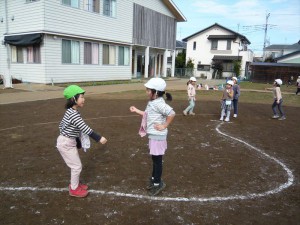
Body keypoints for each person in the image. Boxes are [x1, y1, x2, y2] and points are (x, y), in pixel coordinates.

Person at [56, 85, 107, 198]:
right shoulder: (73, 114)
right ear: (74, 99)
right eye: (81, 97)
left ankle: (75, 184)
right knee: (77, 166)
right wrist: (99, 138)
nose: (84, 99)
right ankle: (74, 189)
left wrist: (77, 141)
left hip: (68, 141)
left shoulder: (71, 111)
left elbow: (64, 127)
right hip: (65, 144)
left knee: (76, 165)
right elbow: (85, 128)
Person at [129, 78, 175, 196]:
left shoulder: (159, 103)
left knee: (157, 161)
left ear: (156, 92)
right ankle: (154, 179)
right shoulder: (152, 102)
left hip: (158, 136)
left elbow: (171, 113)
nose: (146, 92)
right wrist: (136, 110)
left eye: (148, 90)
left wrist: (164, 125)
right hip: (153, 136)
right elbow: (147, 115)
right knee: (155, 159)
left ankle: (158, 183)